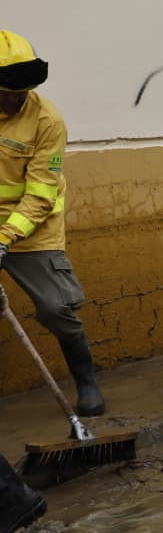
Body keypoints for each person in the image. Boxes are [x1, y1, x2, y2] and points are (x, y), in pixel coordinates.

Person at [0, 30, 105, 416]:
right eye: (9, 92)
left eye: (25, 90)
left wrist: (5, 238)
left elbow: (41, 194)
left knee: (56, 307)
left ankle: (87, 383)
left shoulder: (47, 120)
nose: (19, 99)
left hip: (31, 230)